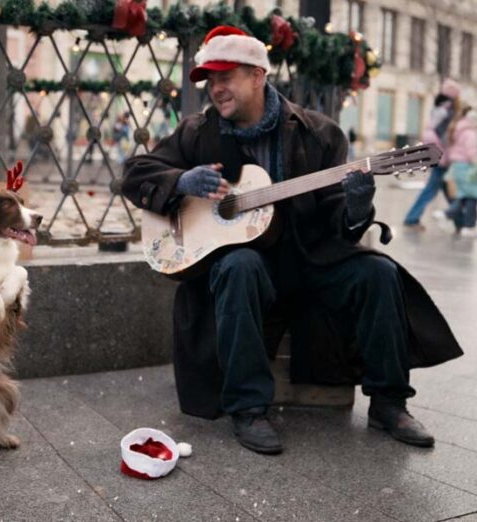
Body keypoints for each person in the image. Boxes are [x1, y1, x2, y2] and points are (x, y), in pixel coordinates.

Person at [121, 26, 463, 455]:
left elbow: (339, 220)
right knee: (238, 266)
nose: (216, 89)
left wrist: (357, 208)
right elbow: (134, 173)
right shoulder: (197, 133)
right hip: (248, 270)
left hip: (309, 259)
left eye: (226, 76)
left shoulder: (319, 133)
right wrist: (179, 181)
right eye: (210, 80)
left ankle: (389, 403)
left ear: (258, 76)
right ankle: (247, 408)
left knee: (377, 272)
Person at [403, 79, 461, 230]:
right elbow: (445, 138)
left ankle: (459, 220)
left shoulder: (439, 109)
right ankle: (411, 218)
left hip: (437, 156)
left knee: (447, 189)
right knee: (433, 189)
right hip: (442, 157)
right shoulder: (446, 112)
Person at [445, 107, 477, 237]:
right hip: (467, 167)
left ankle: (451, 214)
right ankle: (465, 224)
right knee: (471, 196)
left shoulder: (459, 130)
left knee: (465, 195)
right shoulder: (470, 134)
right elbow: (472, 151)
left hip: (458, 166)